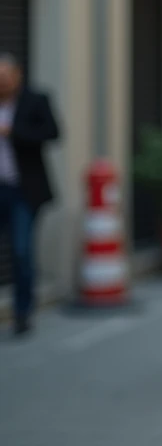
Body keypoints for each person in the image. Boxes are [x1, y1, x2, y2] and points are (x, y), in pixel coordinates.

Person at [0, 54, 59, 337]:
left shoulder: (35, 100)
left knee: (22, 251)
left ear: (17, 75)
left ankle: (23, 313)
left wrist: (13, 132)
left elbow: (53, 132)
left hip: (23, 190)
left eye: (5, 76)